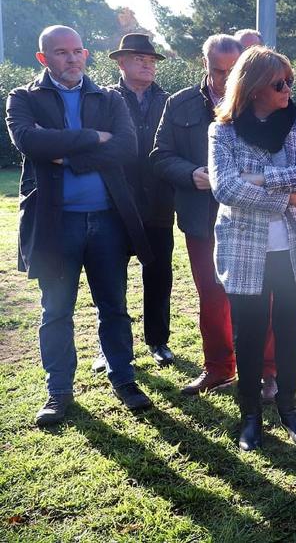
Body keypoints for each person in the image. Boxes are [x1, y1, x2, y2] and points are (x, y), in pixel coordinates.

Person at [6, 25, 155, 426]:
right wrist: (93, 137)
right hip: (54, 224)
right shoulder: (23, 98)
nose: (71, 59)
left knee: (115, 307)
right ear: (44, 58)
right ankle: (58, 392)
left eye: (77, 51)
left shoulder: (107, 97)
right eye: (60, 53)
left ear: (86, 54)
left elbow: (127, 147)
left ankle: (124, 379)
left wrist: (66, 153)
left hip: (108, 222)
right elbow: (29, 142)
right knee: (56, 311)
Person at [209, 46, 296, 451]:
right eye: (280, 83)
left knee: (289, 329)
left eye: (290, 81)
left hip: (294, 246)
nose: (288, 90)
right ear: (255, 86)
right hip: (245, 248)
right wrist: (285, 196)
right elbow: (224, 187)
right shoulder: (222, 130)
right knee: (249, 334)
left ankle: (289, 409)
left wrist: (257, 179)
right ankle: (250, 417)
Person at [152, 35, 278, 398]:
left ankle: (268, 371)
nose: (224, 79)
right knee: (211, 293)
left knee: (262, 292)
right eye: (217, 70)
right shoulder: (179, 104)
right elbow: (160, 156)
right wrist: (190, 173)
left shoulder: (260, 98)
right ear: (202, 63)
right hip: (201, 216)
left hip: (250, 216)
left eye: (232, 70)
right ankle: (219, 368)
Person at [110, 33, 176, 368]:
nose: (148, 64)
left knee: (159, 274)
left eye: (151, 60)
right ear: (121, 62)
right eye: (139, 59)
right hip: (115, 204)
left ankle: (158, 341)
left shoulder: (169, 101)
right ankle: (112, 347)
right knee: (111, 278)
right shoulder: (104, 99)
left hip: (158, 203)